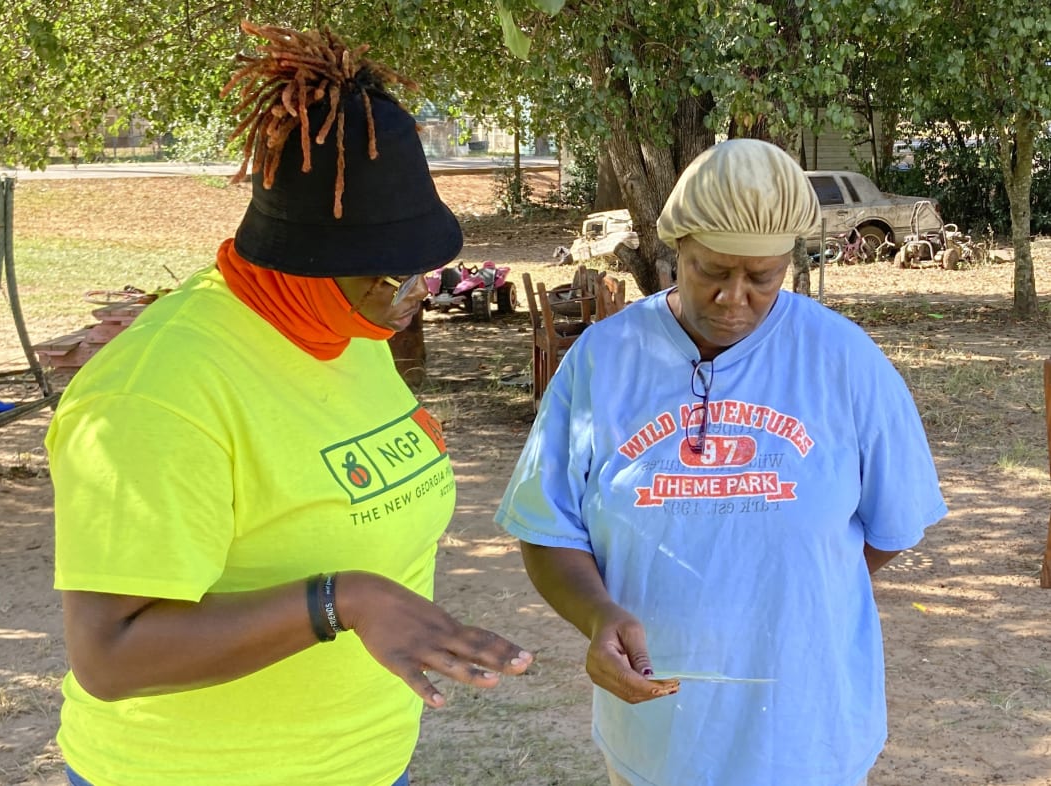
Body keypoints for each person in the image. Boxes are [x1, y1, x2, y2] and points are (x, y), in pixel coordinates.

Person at [48, 23, 532, 786]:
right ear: (304, 263)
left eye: (424, 274)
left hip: (364, 765)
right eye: (389, 279)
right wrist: (339, 601)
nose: (413, 298)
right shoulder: (158, 393)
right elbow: (110, 653)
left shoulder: (348, 328)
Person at [495, 139, 947, 786]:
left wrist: (795, 589)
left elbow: (892, 526)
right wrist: (597, 616)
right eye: (711, 270)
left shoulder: (845, 362)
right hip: (657, 742)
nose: (735, 298)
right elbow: (546, 527)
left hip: (806, 737)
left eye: (763, 277)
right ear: (674, 248)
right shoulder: (604, 360)